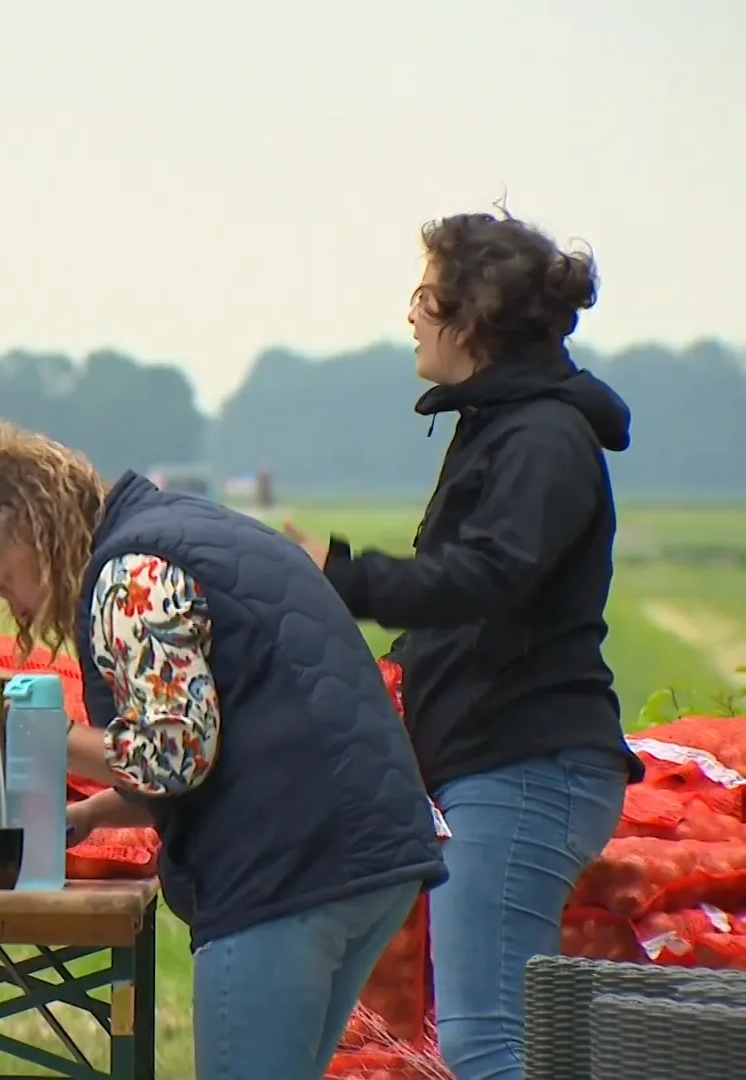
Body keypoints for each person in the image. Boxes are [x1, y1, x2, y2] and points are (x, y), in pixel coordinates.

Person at [0, 420, 448, 1080]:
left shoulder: (131, 578)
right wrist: (93, 816)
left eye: (6, 585)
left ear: (39, 535)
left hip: (286, 868)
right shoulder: (188, 530)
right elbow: (237, 727)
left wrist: (43, 739)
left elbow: (176, 755)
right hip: (375, 848)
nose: (20, 614)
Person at [286, 211, 642, 1080]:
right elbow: (468, 597)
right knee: (495, 1037)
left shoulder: (543, 439)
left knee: (487, 1042)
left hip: (525, 769)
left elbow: (490, 576)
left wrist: (348, 575)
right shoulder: (505, 424)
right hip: (504, 766)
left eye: (424, 295)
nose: (411, 316)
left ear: (470, 319)